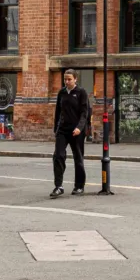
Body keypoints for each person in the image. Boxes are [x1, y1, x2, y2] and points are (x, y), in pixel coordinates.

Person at [51, 70, 92, 198]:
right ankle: (58, 186)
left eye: (69, 79)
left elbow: (85, 113)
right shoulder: (61, 93)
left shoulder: (81, 93)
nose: (67, 82)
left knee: (78, 158)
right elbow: (58, 111)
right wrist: (56, 129)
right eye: (65, 79)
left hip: (76, 131)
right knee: (58, 155)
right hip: (63, 129)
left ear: (75, 79)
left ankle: (79, 186)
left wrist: (80, 128)